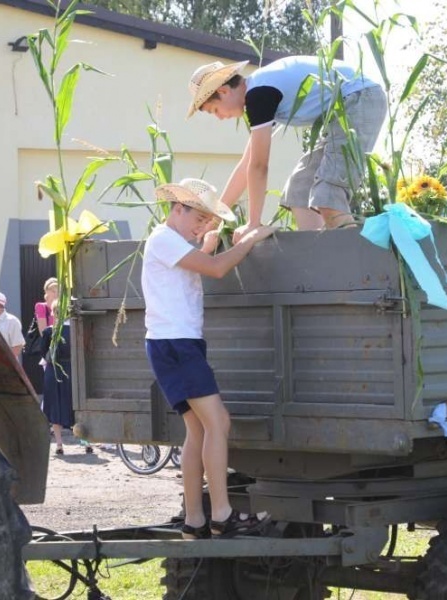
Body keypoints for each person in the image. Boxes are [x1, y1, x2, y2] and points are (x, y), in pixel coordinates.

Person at [144, 177, 275, 539]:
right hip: (177, 345)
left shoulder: (171, 242)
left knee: (199, 429)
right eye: (197, 218)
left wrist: (208, 242)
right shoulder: (164, 240)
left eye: (206, 221)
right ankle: (221, 513)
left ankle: (194, 519)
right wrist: (248, 240)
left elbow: (202, 259)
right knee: (219, 422)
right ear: (177, 208)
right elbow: (216, 268)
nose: (201, 226)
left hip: (172, 344)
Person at [187, 55, 387, 238]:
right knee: (299, 190)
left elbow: (259, 166)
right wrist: (215, 219)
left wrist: (253, 223)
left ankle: (351, 261)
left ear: (223, 91)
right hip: (337, 113)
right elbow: (246, 165)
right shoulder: (260, 92)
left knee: (327, 194)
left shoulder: (259, 94)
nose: (220, 117)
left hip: (359, 99)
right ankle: (316, 255)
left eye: (215, 110)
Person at [40, 300, 92, 456]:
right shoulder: (78, 331)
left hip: (55, 371)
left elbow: (44, 353)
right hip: (75, 371)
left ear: (56, 313)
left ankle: (59, 444)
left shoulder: (50, 332)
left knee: (55, 407)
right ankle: (85, 442)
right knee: (77, 406)